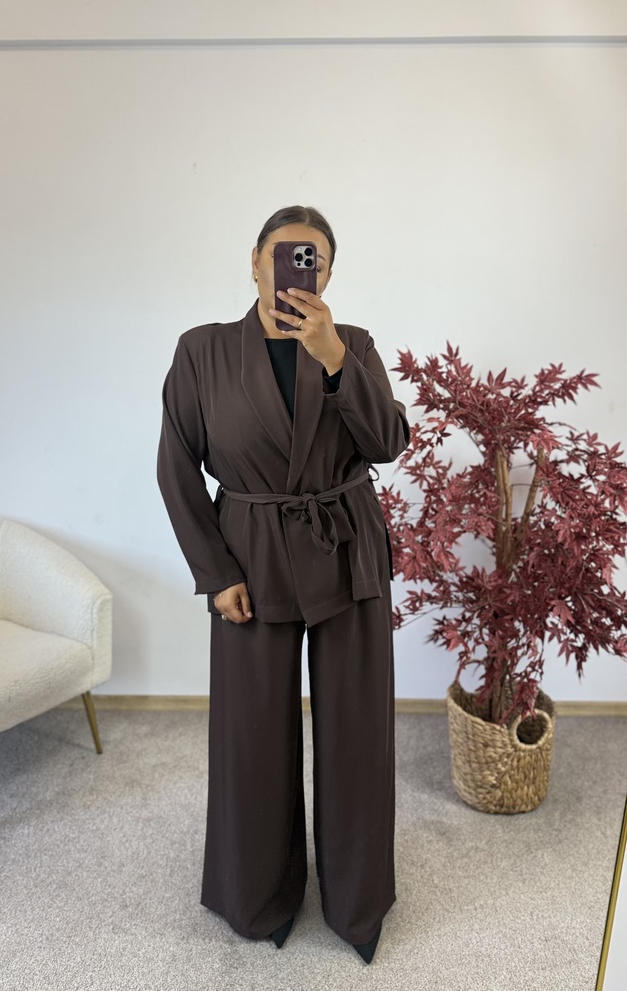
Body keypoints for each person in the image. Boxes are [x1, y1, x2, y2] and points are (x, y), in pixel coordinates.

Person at [157, 205, 409, 964]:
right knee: (252, 734)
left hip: (345, 549)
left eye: (314, 261)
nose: (298, 270)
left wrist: (334, 359)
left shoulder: (353, 343)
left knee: (357, 731)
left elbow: (387, 443)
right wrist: (215, 573)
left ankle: (357, 902)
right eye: (285, 254)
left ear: (327, 274)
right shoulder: (202, 350)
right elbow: (176, 467)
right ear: (256, 260)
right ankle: (257, 894)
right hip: (251, 557)